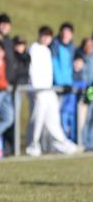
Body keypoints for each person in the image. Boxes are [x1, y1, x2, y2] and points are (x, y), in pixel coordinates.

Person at [26, 26, 79, 156]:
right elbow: (32, 71)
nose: (46, 39)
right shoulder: (34, 49)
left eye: (48, 36)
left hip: (49, 89)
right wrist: (36, 89)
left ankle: (61, 143)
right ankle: (33, 145)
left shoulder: (47, 51)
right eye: (44, 35)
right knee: (37, 119)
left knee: (53, 119)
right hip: (38, 90)